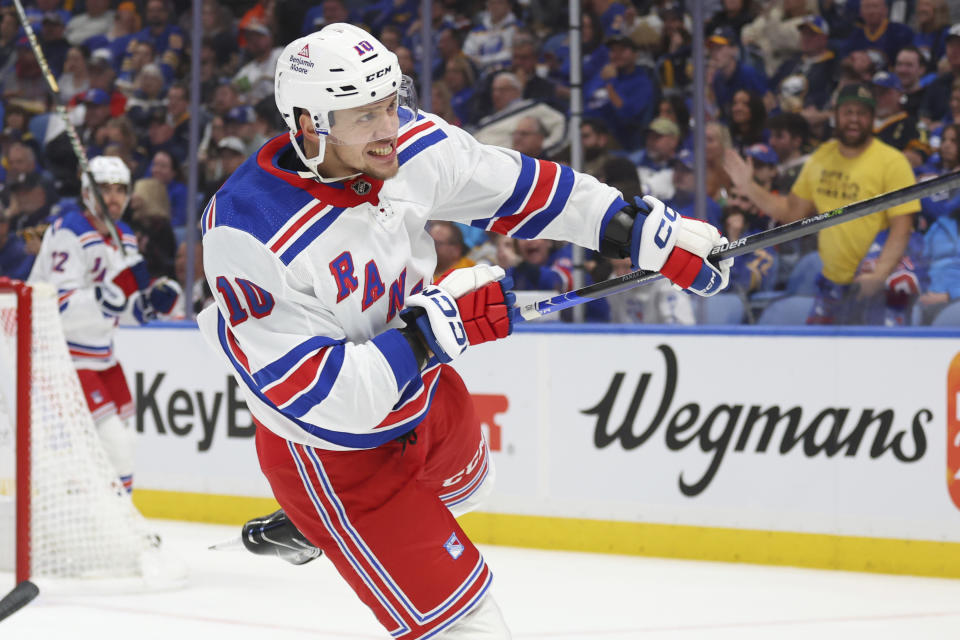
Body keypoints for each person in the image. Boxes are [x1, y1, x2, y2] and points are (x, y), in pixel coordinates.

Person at [196, 23, 731, 639]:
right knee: (469, 627)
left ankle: (317, 529)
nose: (388, 128)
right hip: (334, 454)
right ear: (312, 124)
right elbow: (325, 400)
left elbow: (526, 191)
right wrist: (426, 336)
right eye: (364, 115)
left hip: (424, 396)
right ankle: (330, 518)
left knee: (475, 484)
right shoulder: (247, 232)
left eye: (390, 103)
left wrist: (640, 233)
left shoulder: (410, 147)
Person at [27, 156, 179, 492]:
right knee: (112, 444)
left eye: (120, 189)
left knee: (126, 437)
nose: (113, 197)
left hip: (102, 355)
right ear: (87, 192)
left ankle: (111, 513)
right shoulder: (69, 231)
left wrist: (148, 306)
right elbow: (59, 305)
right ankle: (114, 518)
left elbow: (122, 310)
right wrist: (113, 291)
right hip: (63, 356)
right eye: (105, 189)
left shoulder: (124, 237)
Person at [724, 83, 919, 324]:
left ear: (872, 118)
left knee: (879, 358)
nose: (854, 119)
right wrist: (749, 187)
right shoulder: (822, 157)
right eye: (848, 112)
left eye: (862, 113)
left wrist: (880, 274)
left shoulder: (892, 162)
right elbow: (791, 213)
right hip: (832, 285)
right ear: (836, 115)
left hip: (876, 281)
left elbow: (902, 227)